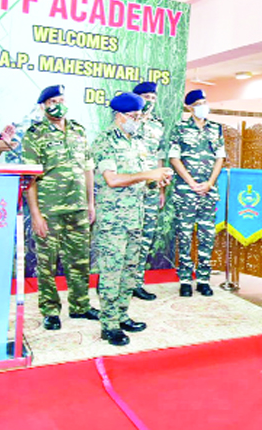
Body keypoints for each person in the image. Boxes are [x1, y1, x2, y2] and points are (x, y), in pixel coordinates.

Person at [91, 93, 173, 346]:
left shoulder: (137, 141)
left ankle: (122, 314)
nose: (137, 121)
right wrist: (148, 173)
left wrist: (156, 179)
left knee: (129, 271)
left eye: (139, 117)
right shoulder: (105, 141)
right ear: (119, 115)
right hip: (113, 220)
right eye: (134, 117)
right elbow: (113, 180)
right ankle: (109, 325)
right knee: (112, 272)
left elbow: (141, 176)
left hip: (136, 217)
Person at [22, 85, 99, 331]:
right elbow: (29, 178)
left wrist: (90, 203)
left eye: (61, 99)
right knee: (47, 263)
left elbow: (88, 168)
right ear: (43, 106)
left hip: (78, 207)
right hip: (49, 210)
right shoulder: (34, 134)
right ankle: (50, 310)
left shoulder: (79, 130)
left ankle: (80, 305)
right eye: (52, 101)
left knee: (79, 261)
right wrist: (35, 215)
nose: (58, 104)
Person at [169, 89, 225, 297]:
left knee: (207, 236)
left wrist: (209, 183)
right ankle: (185, 279)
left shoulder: (215, 129)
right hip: (186, 191)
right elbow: (174, 158)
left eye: (205, 102)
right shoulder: (180, 128)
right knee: (184, 235)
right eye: (199, 103)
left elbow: (220, 157)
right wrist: (191, 183)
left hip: (209, 191)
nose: (203, 106)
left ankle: (203, 279)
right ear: (189, 107)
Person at [130, 82, 166, 301]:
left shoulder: (158, 124)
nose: (150, 100)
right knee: (129, 235)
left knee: (145, 237)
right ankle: (123, 281)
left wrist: (161, 187)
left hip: (151, 188)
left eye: (153, 97)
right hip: (130, 187)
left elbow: (160, 154)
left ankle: (137, 282)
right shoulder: (127, 122)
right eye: (145, 96)